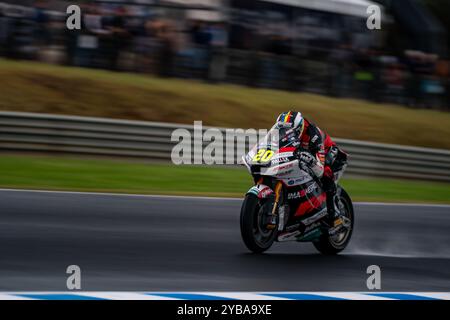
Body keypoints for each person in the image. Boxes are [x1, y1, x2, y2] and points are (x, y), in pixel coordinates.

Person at [274, 111, 348, 227]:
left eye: (290, 130)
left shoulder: (312, 134)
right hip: (304, 153)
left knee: (325, 174)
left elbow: (319, 167)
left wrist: (310, 159)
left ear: (299, 128)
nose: (285, 132)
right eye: (282, 129)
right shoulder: (281, 131)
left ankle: (334, 215)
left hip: (327, 151)